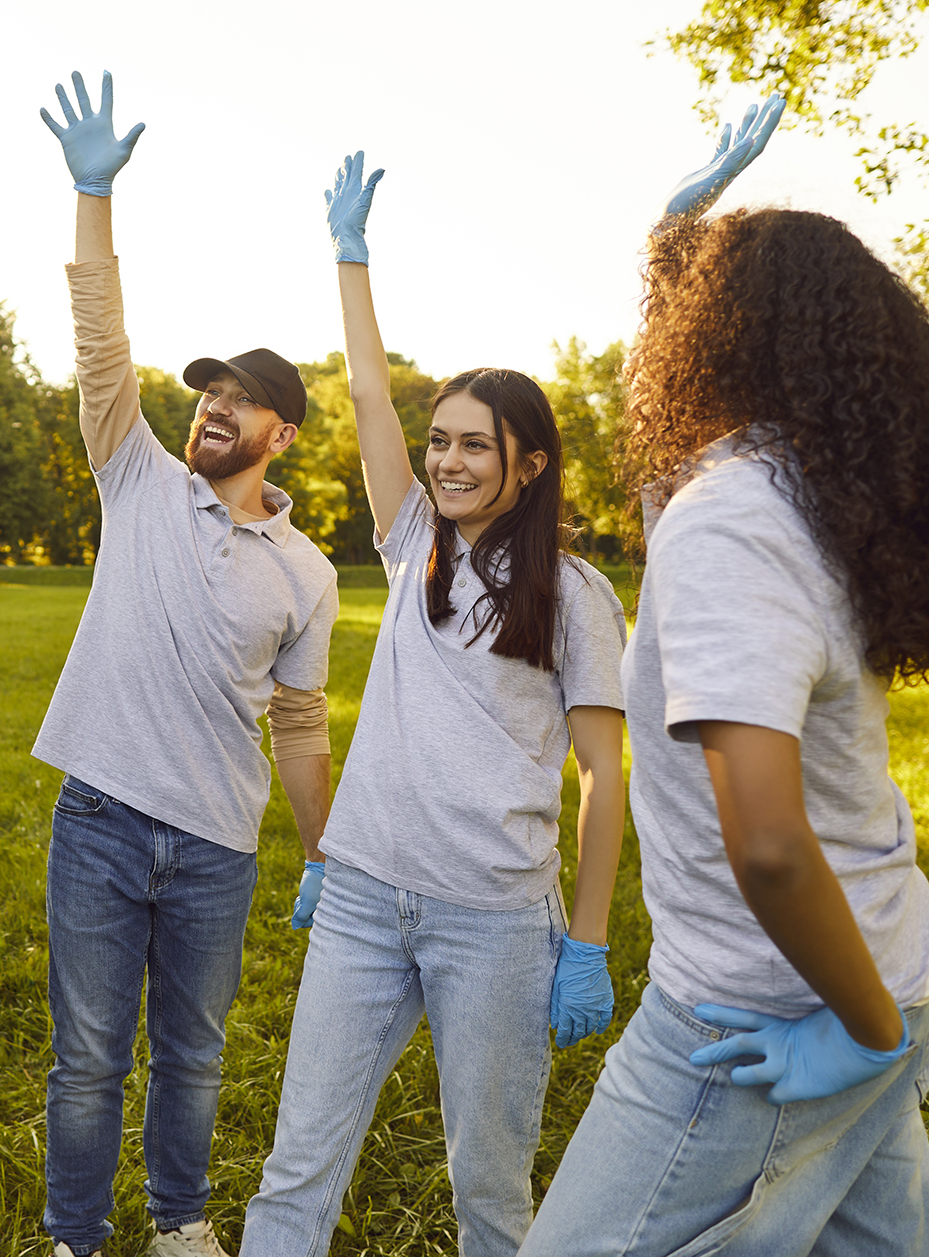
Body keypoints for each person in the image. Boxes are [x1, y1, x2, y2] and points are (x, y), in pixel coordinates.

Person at [519, 99, 929, 1255]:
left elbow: (769, 842)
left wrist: (865, 1033)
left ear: (719, 341)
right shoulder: (808, 487)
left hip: (768, 1016)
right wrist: (673, 234)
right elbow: (662, 432)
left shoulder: (730, 523)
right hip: (892, 960)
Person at [235, 154, 630, 1257]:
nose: (447, 461)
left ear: (531, 464)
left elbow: (604, 776)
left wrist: (587, 941)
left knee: (490, 1193)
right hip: (363, 898)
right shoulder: (413, 541)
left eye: (475, 445)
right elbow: (367, 394)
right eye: (440, 440)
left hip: (495, 926)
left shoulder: (579, 599)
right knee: (296, 1166)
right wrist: (351, 258)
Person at [31, 71, 341, 1257]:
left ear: (282, 434)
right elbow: (101, 345)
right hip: (101, 818)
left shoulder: (307, 572)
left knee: (196, 1057)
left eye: (243, 398)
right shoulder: (138, 478)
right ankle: (74, 1234)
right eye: (210, 389)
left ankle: (179, 1224)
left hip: (217, 841)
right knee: (90, 1054)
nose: (215, 404)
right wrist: (91, 198)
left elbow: (301, 724)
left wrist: (324, 851)